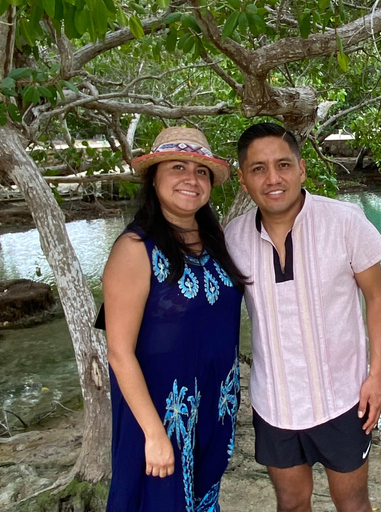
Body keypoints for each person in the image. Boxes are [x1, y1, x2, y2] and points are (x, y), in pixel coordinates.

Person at [225, 122, 381, 512]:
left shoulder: (344, 221)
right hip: (275, 403)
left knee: (352, 502)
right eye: (258, 168)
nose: (273, 178)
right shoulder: (232, 238)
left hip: (344, 399)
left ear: (302, 169)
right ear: (243, 180)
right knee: (292, 503)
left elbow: (377, 299)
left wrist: (376, 375)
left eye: (283, 165)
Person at [102, 126, 246, 512]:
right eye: (177, 166)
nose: (191, 178)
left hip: (214, 410)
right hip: (163, 415)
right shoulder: (134, 249)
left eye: (201, 171)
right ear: (154, 178)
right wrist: (153, 433)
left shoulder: (216, 240)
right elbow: (119, 352)